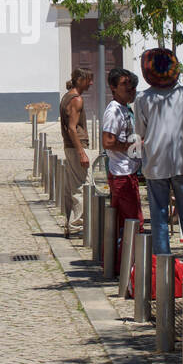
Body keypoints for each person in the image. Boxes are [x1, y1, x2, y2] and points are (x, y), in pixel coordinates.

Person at [133, 48, 183, 264]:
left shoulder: (142, 98)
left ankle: (162, 265)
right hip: (180, 162)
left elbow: (140, 132)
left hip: (155, 163)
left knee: (159, 217)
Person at [100, 68, 143, 255]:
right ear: (113, 88)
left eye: (130, 84)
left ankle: (118, 261)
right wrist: (131, 146)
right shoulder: (113, 112)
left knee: (123, 222)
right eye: (124, 84)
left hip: (128, 172)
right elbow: (108, 141)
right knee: (134, 222)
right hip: (121, 173)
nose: (129, 88)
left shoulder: (125, 109)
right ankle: (131, 263)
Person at [59, 67, 93, 236]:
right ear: (80, 80)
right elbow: (72, 128)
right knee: (83, 186)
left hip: (70, 146)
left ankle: (70, 222)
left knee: (71, 186)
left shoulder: (67, 97)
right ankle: (77, 225)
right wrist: (82, 152)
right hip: (76, 145)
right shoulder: (76, 99)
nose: (91, 83)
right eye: (89, 79)